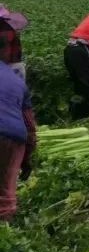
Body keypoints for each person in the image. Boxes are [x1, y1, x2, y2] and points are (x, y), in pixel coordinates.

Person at [0, 41, 36, 222]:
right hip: (14, 136)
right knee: (6, 192)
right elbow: (29, 126)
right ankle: (6, 235)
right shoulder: (16, 79)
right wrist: (26, 159)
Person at [0, 6, 28, 80]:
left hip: (8, 69)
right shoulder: (11, 29)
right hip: (15, 67)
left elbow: (4, 56)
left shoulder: (4, 33)